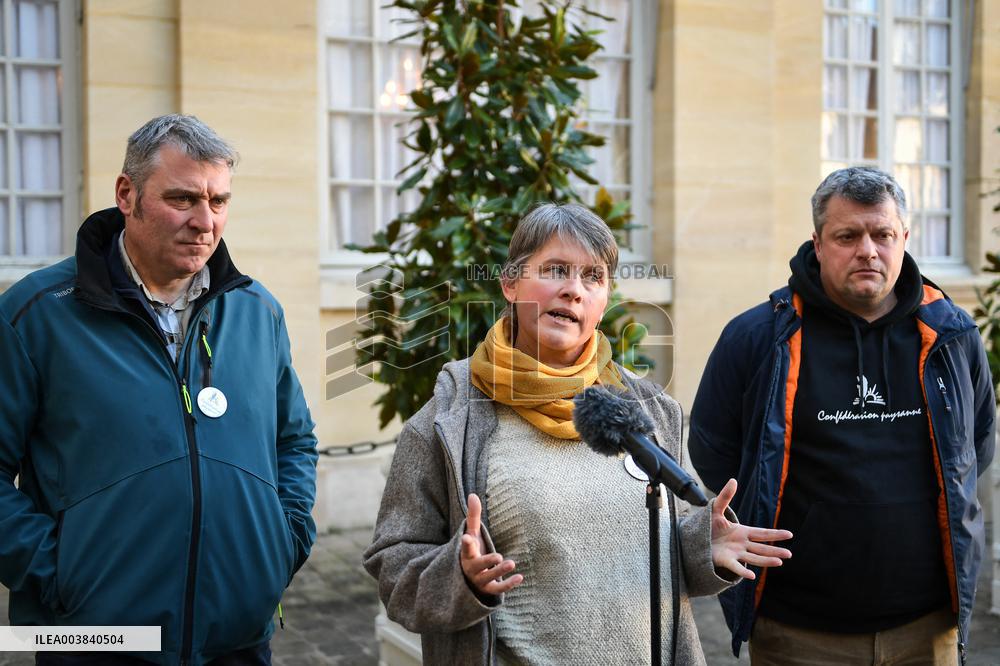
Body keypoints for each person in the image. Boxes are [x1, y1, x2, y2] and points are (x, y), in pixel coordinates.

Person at [363, 203, 792, 665]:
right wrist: (460, 578)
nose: (573, 290)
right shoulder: (448, 420)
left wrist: (700, 544)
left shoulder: (648, 407)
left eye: (593, 276)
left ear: (605, 299)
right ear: (510, 283)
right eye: (555, 270)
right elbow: (394, 569)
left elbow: (662, 551)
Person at [0, 114, 319, 665]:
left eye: (218, 202)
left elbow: (294, 442)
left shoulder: (257, 310)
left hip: (238, 636)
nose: (205, 222)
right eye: (183, 199)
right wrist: (61, 574)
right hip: (90, 639)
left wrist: (282, 542)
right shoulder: (34, 314)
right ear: (127, 194)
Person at [688, 166, 995, 664]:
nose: (868, 250)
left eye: (883, 234)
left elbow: (975, 446)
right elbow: (713, 448)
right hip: (798, 631)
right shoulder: (758, 337)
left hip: (927, 627)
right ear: (817, 241)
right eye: (847, 236)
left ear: (905, 239)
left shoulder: (952, 336)